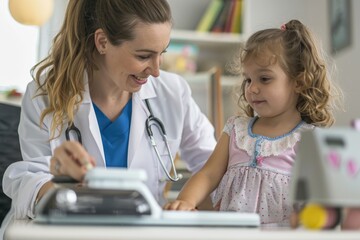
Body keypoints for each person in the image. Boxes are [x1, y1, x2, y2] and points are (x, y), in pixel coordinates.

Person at [1, 0, 216, 227]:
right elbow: (30, 180)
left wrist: (189, 201)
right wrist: (62, 182)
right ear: (102, 41)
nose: (155, 71)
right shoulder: (45, 94)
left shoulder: (173, 92)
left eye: (161, 53)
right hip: (75, 230)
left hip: (147, 231)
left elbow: (212, 166)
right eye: (144, 56)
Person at [164, 19, 342, 225]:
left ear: (299, 82)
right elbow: (208, 174)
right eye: (248, 79)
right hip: (231, 232)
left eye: (264, 79)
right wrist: (186, 201)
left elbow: (319, 196)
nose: (252, 88)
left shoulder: (308, 139)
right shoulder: (236, 129)